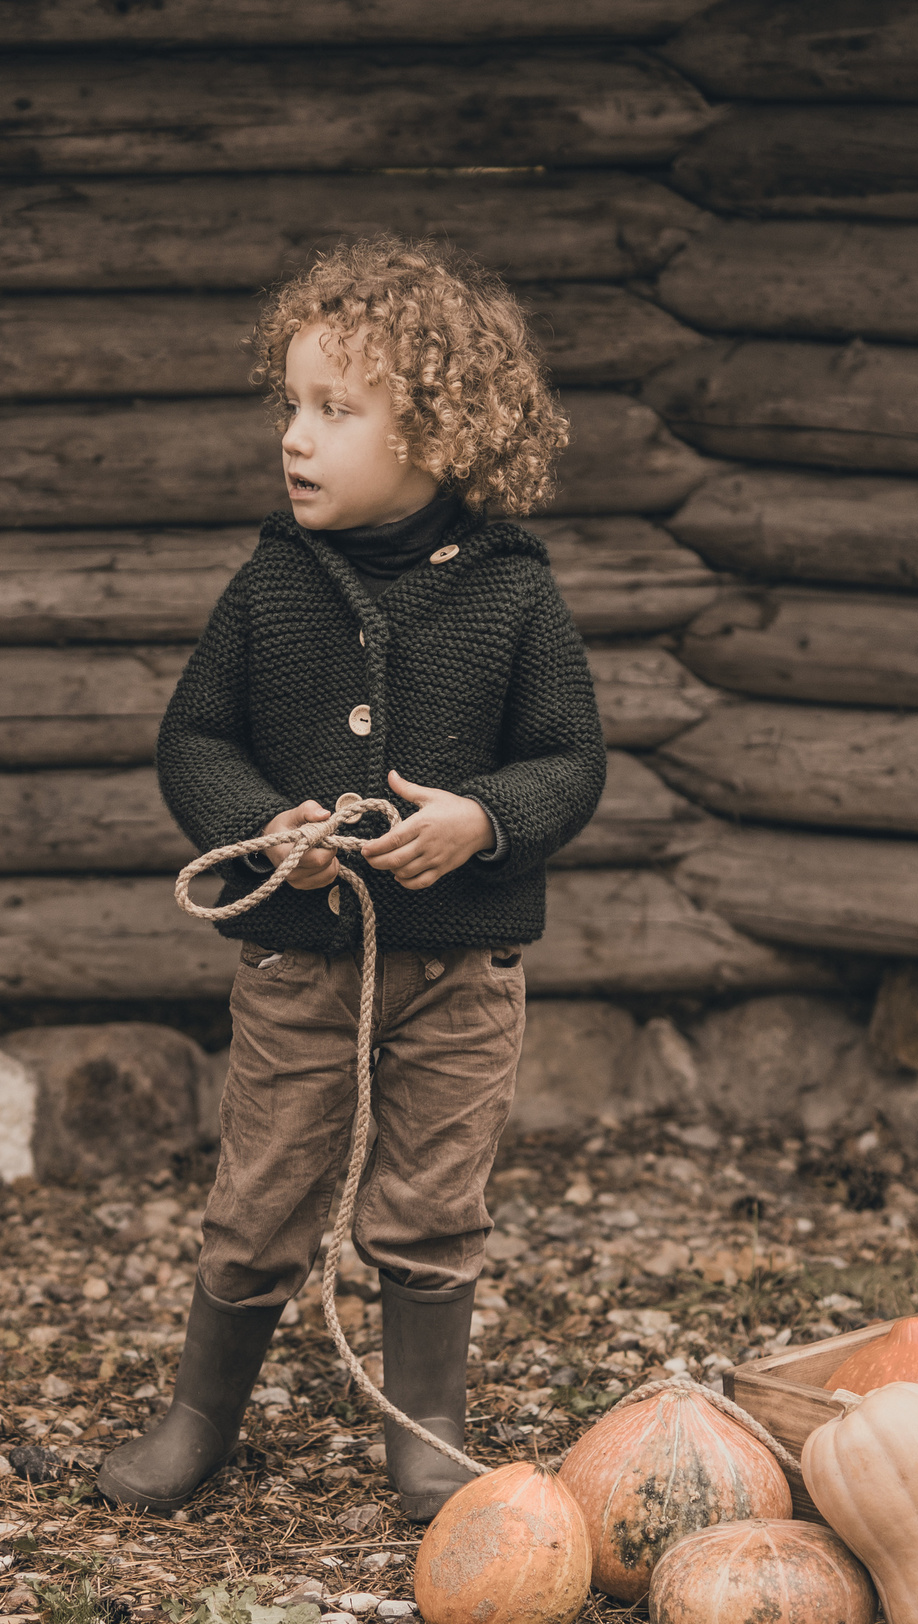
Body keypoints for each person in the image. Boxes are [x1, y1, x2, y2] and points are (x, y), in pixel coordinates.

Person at [97, 234, 608, 1521]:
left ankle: (423, 1426)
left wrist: (483, 822)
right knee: (261, 1189)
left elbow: (571, 760)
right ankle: (202, 1412)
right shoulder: (271, 587)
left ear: (435, 434)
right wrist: (267, 826)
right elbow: (192, 738)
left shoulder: (513, 600)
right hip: (297, 966)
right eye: (291, 405)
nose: (295, 436)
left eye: (336, 410)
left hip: (462, 974)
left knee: (436, 1196)